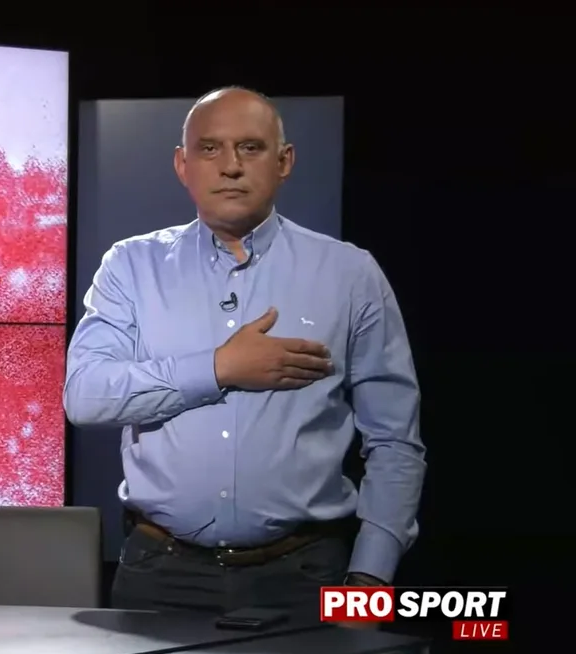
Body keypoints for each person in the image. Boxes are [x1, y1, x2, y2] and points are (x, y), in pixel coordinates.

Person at [63, 87, 426, 621]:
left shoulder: (350, 274)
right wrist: (220, 368)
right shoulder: (131, 267)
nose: (230, 166)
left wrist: (370, 579)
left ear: (284, 162)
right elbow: (86, 396)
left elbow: (395, 439)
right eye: (210, 149)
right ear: (182, 165)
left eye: (250, 148)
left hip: (306, 575)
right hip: (159, 574)